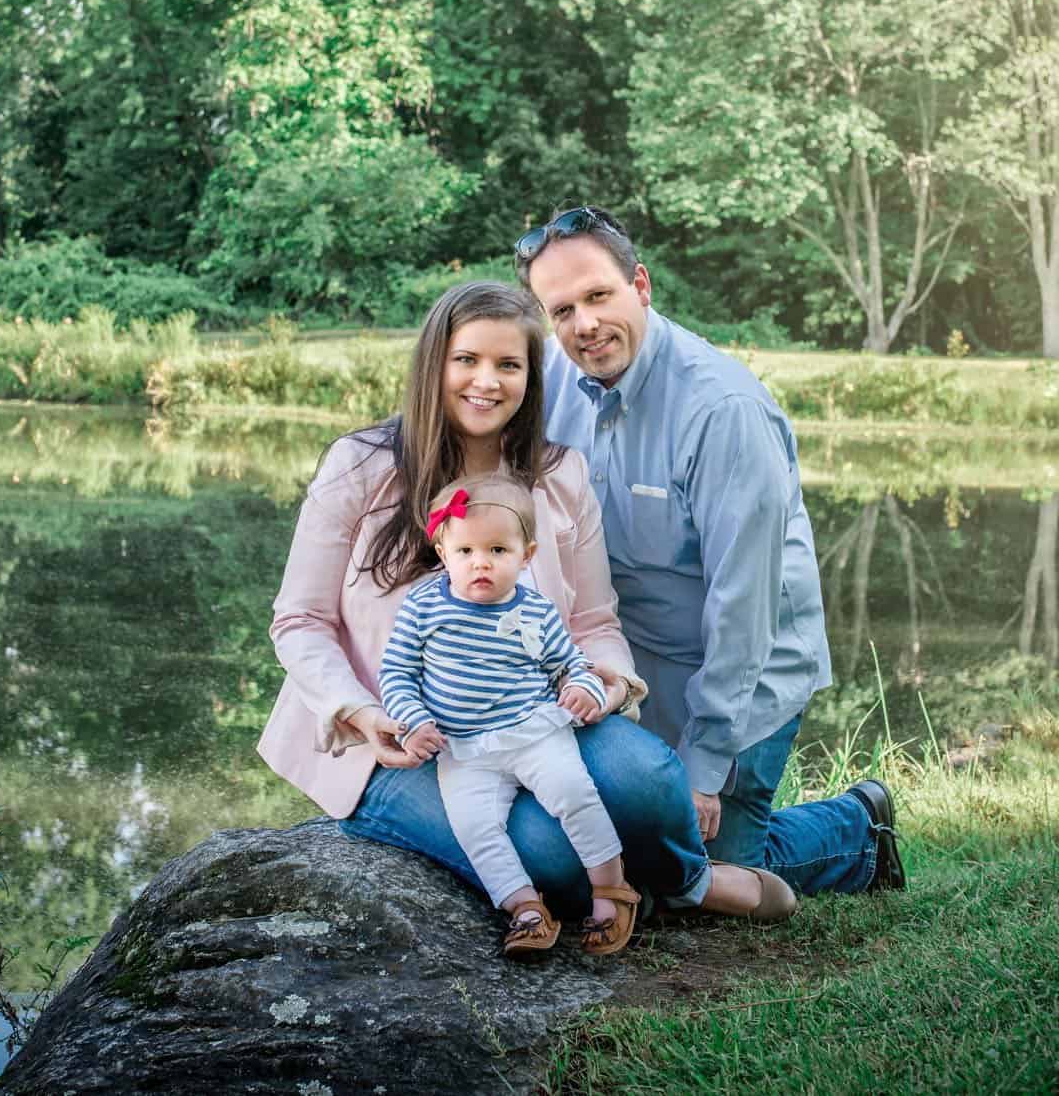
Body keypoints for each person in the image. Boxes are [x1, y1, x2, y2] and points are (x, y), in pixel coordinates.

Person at [258, 280, 797, 928]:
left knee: (649, 776)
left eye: (508, 365)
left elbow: (595, 621)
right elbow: (300, 621)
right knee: (553, 858)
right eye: (468, 360)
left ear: (530, 378)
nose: (487, 381)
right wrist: (360, 710)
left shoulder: (560, 476)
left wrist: (606, 681)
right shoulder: (360, 465)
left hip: (528, 717)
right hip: (397, 742)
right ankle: (711, 879)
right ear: (435, 363)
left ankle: (687, 882)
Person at [517, 208, 908, 896]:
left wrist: (702, 766)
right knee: (593, 855)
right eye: (563, 309)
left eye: (599, 296)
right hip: (632, 668)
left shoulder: (722, 410)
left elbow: (743, 610)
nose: (584, 325)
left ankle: (858, 829)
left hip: (745, 673)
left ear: (640, 285)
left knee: (685, 877)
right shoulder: (552, 377)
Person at [380, 471, 640, 957]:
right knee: (475, 828)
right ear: (443, 553)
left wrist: (583, 688)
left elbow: (570, 664)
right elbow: (396, 673)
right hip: (463, 748)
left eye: (498, 551)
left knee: (574, 794)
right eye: (466, 552)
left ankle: (610, 889)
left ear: (527, 555)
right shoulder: (423, 606)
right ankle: (525, 908)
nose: (481, 564)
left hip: (532, 732)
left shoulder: (536, 611)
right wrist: (413, 722)